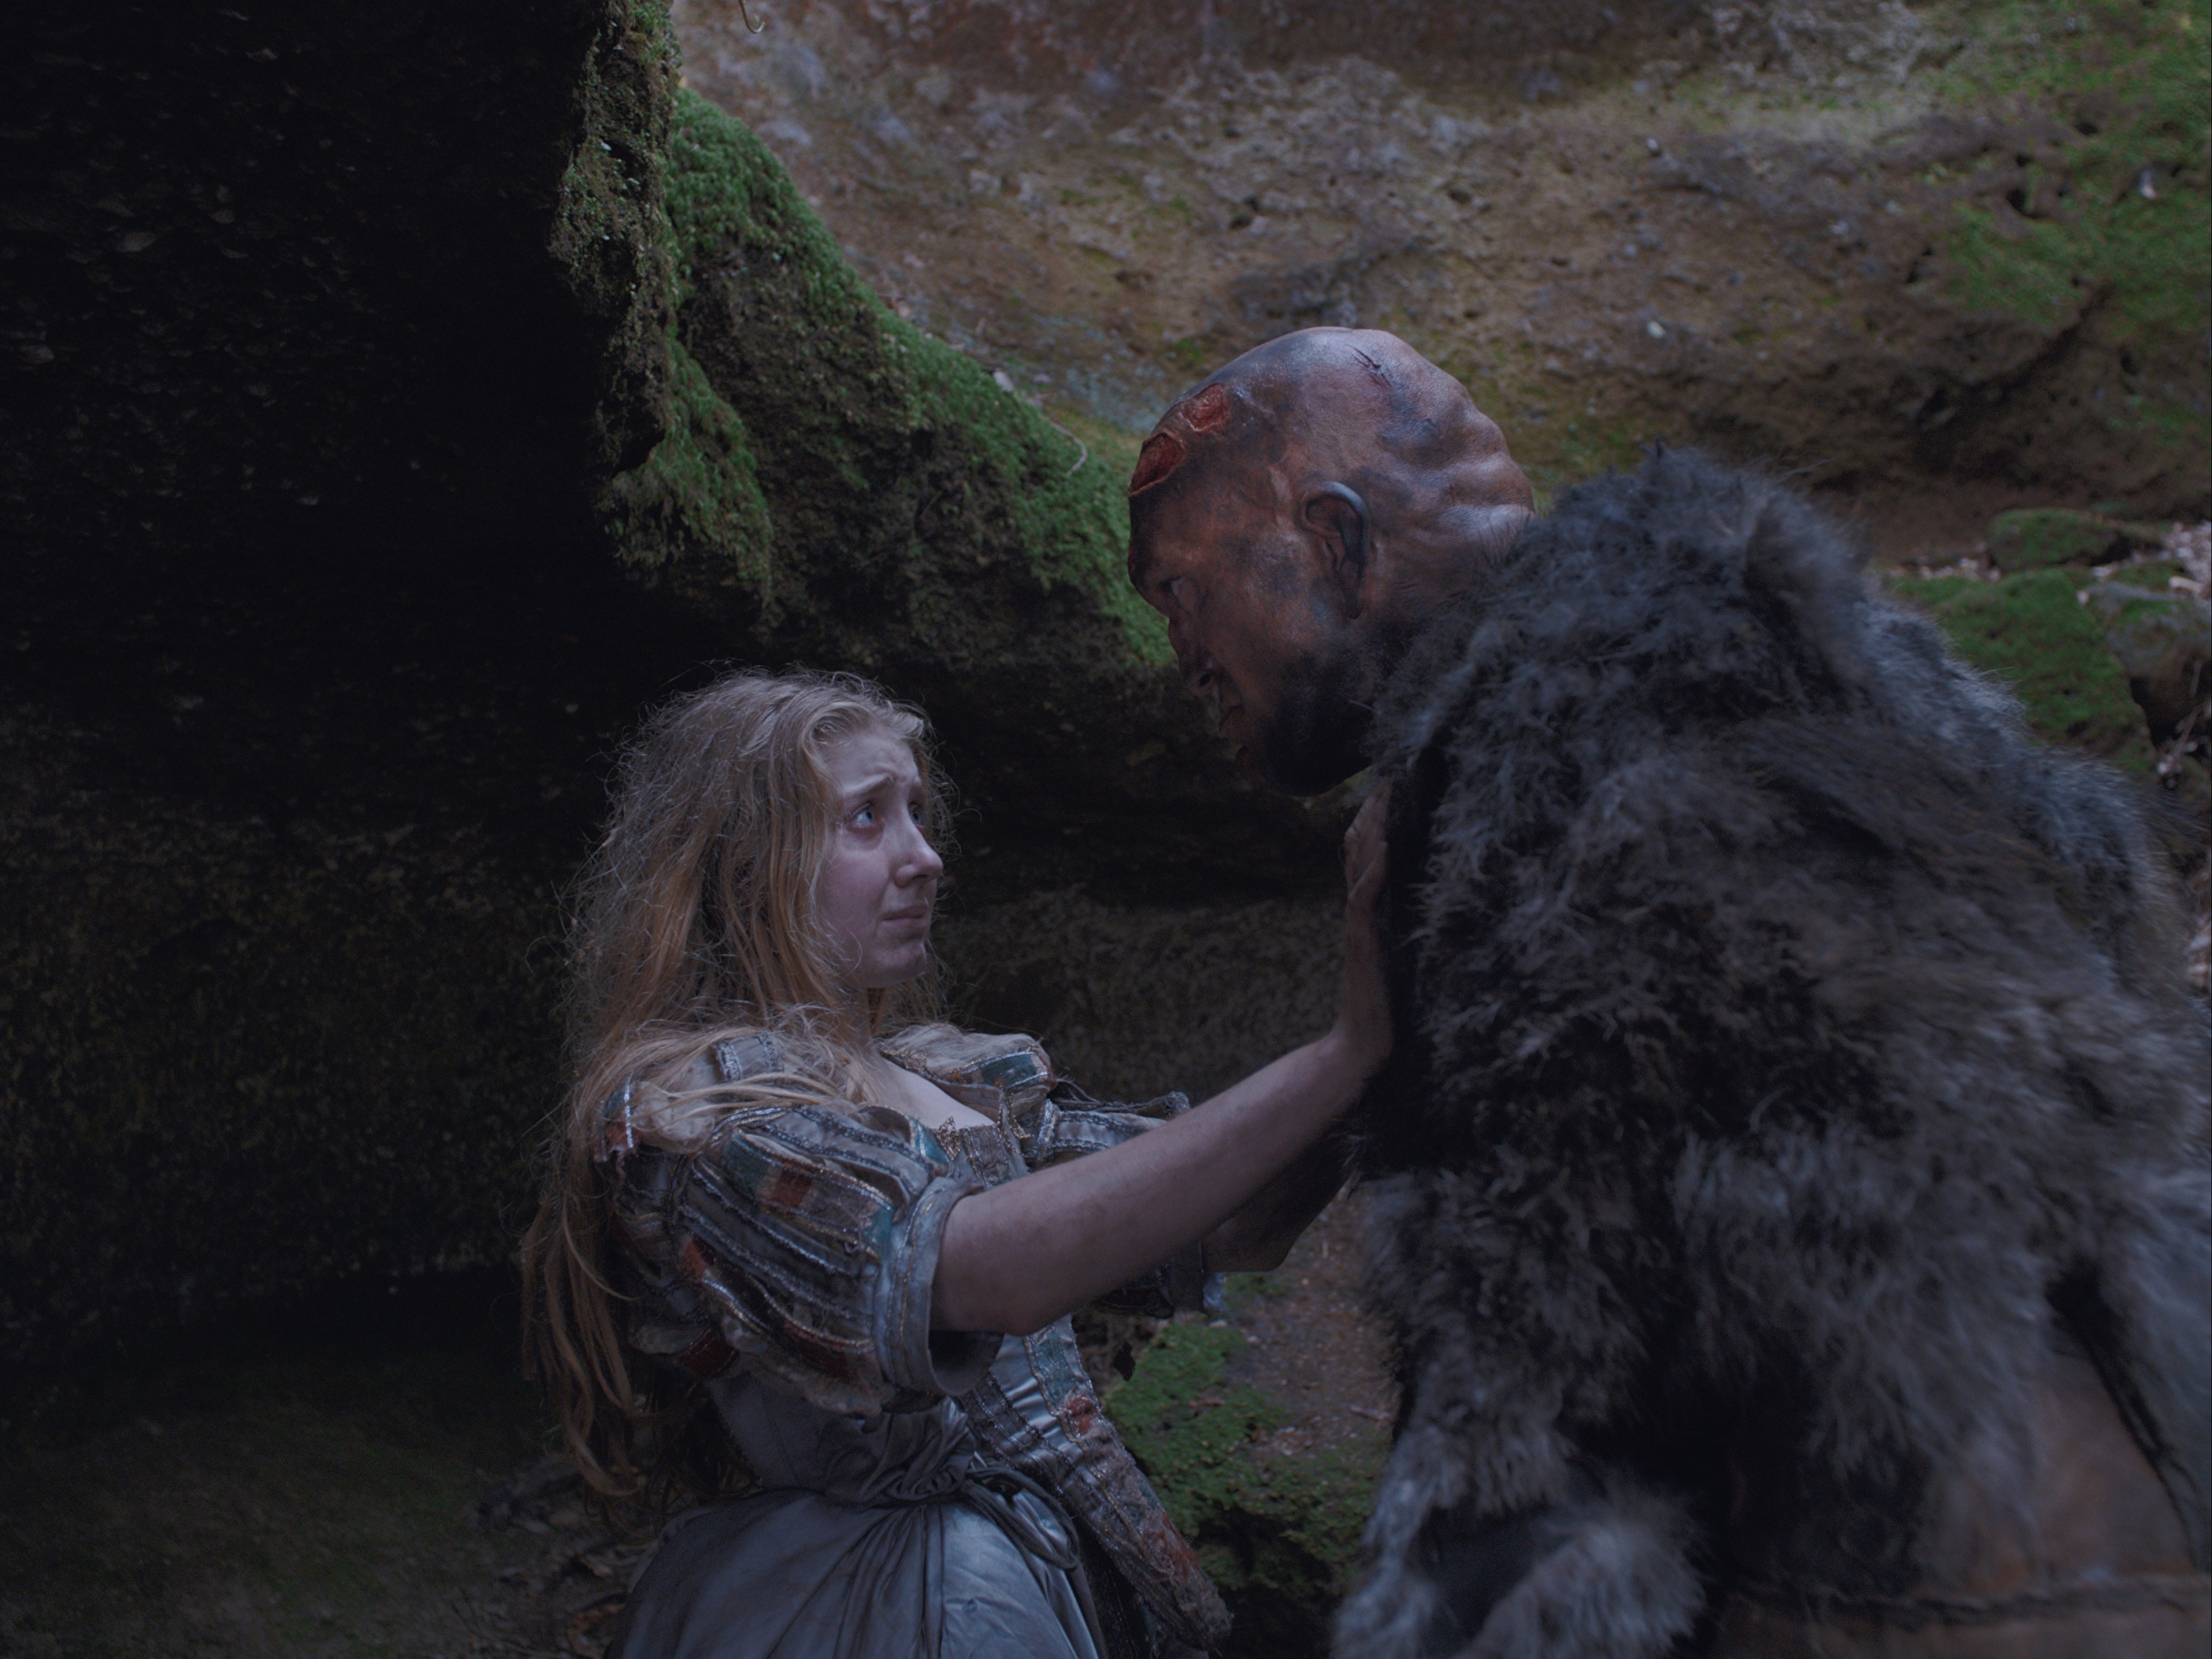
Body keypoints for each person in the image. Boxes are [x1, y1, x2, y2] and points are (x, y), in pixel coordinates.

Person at [1126, 327, 2210, 1657]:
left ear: (1338, 543)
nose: (1179, 653)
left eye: (1179, 591)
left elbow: (1550, 1316)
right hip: (2121, 1421)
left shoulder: (1544, 753)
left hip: (1922, 1542)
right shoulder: (1792, 651)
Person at [522, 669, 1389, 1659]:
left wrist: (1396, 1021)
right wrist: (1344, 1055)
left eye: (919, 812)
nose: (925, 857)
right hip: (867, 1614)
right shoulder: (693, 1120)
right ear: (749, 861)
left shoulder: (949, 1081)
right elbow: (980, 1271)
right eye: (867, 817)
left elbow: (1232, 1220)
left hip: (1027, 1580)